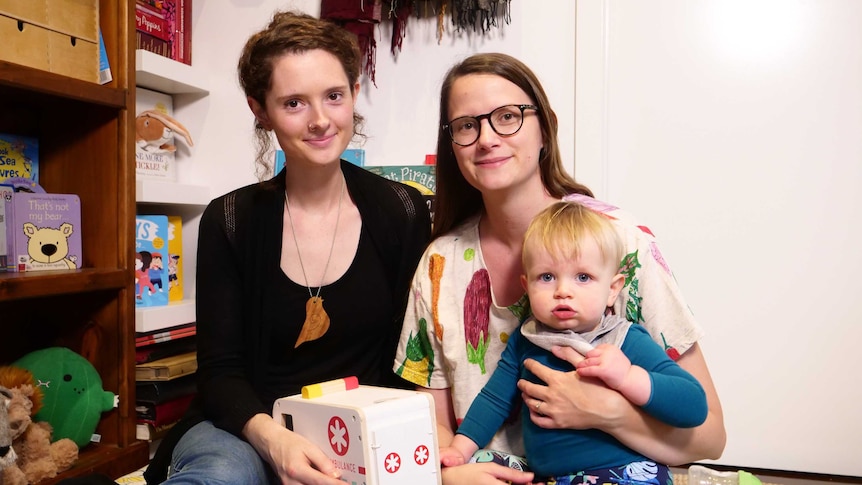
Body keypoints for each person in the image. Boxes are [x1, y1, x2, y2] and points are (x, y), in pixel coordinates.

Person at [393, 52, 726, 485]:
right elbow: (435, 429)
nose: (487, 138)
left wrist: (608, 414)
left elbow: (710, 437)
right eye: (466, 125)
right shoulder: (439, 265)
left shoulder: (622, 243)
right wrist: (447, 476)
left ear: (545, 127)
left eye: (508, 116)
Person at [144, 10, 431, 484]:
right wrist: (276, 442)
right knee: (221, 476)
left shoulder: (401, 209)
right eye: (294, 103)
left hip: (360, 431)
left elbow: (410, 357)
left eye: (334, 97)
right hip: (246, 428)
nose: (320, 121)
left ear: (354, 94)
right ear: (261, 110)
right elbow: (220, 375)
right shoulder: (230, 220)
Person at [438, 201, 708, 482]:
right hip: (546, 474)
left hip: (621, 472)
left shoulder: (624, 340)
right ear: (526, 285)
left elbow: (694, 405)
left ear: (612, 290)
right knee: (476, 464)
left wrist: (628, 377)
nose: (563, 291)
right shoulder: (528, 339)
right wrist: (459, 449)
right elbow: (494, 401)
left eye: (583, 277)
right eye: (546, 277)